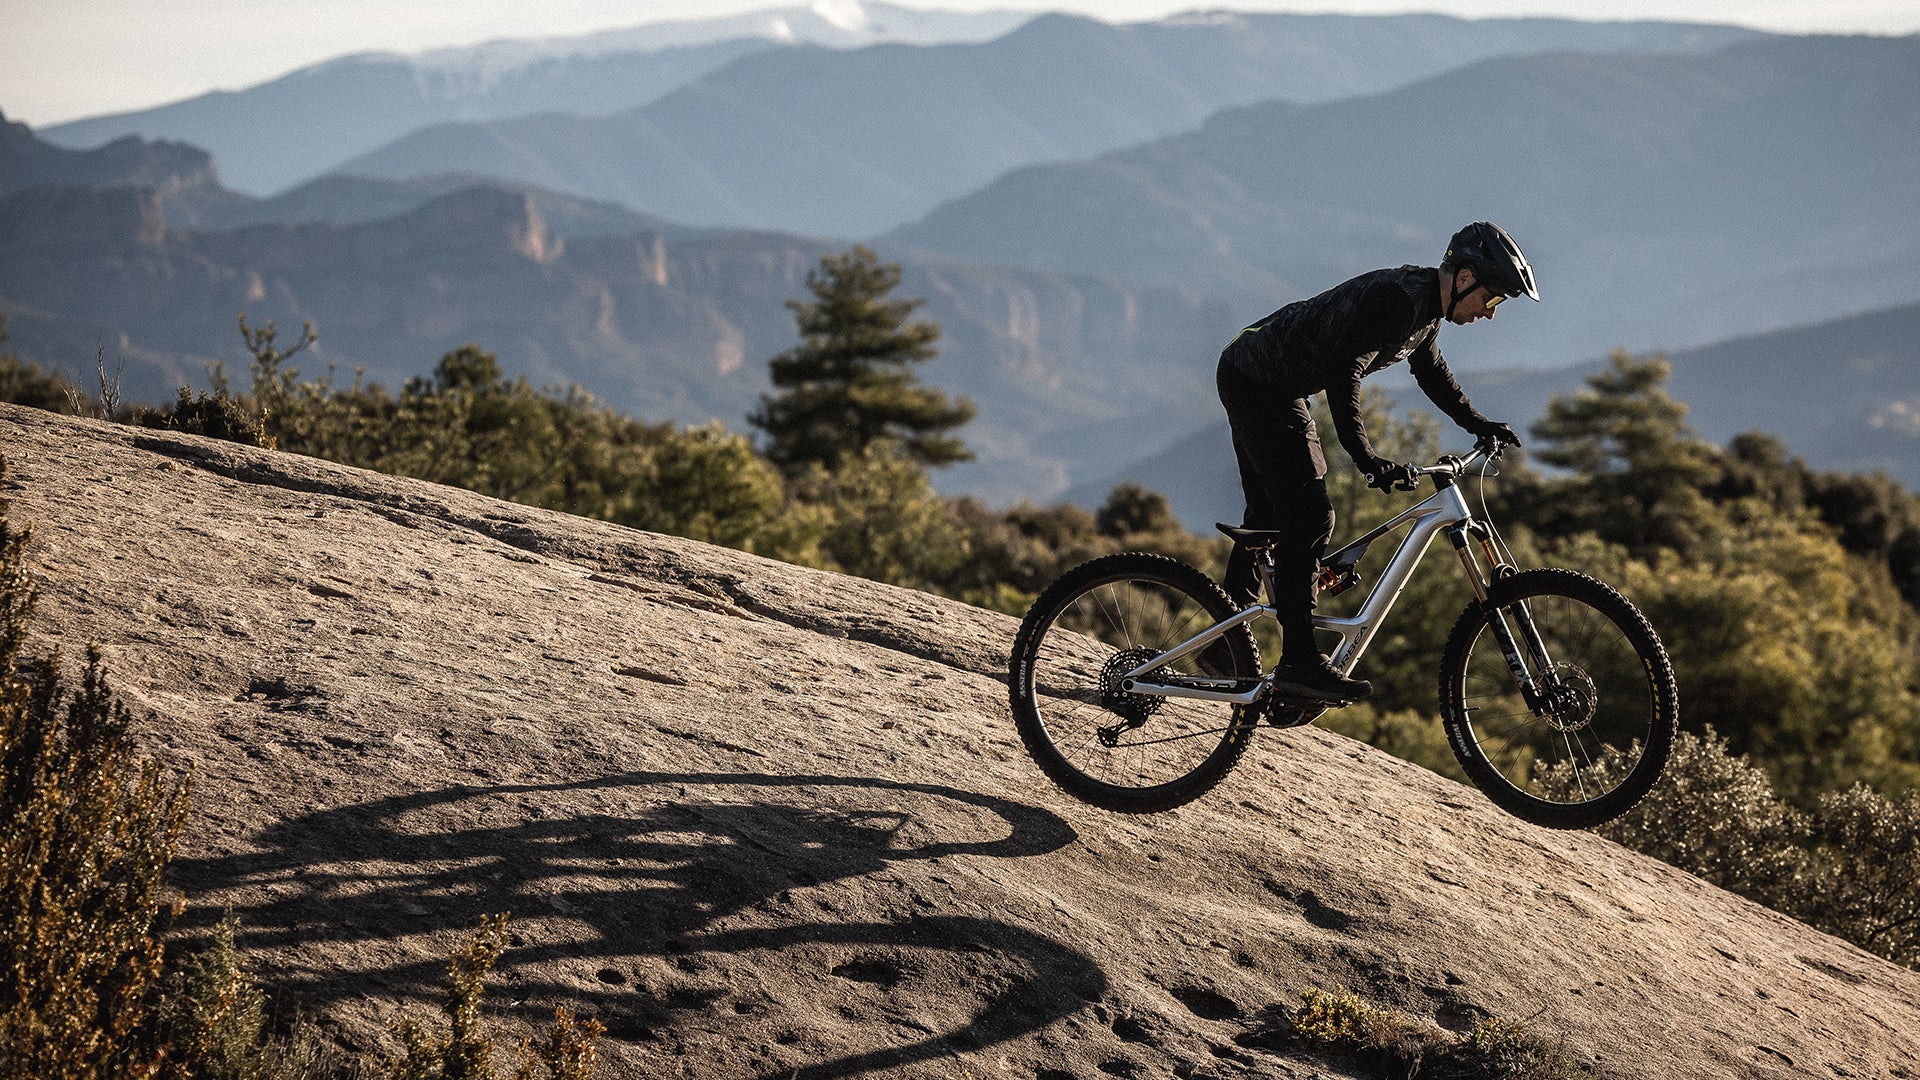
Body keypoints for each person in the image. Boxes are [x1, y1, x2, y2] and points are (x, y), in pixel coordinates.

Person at [1216, 220, 1536, 702]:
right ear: (1465, 278)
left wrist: (1479, 424)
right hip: (1256, 380)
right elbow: (1345, 374)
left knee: (1270, 520)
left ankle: (1224, 649)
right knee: (1311, 515)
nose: (1490, 315)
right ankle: (1300, 664)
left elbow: (1432, 373)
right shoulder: (1397, 301)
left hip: (1267, 380)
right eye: (1492, 300)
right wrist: (1367, 458)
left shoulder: (1426, 309)